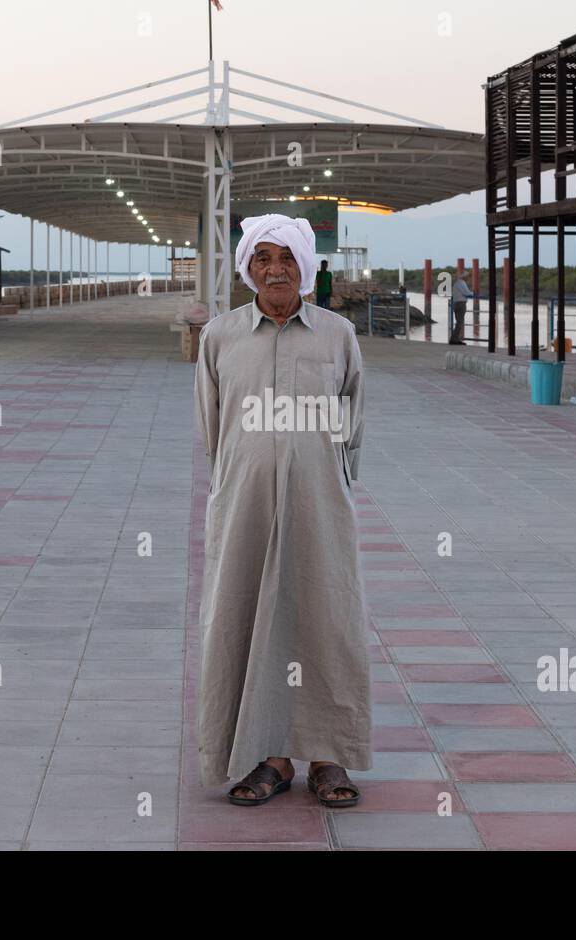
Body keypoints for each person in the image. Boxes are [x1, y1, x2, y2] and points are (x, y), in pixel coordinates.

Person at [194, 213, 371, 808]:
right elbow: (212, 429)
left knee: (326, 617)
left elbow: (351, 429)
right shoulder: (219, 337)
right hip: (243, 504)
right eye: (264, 257)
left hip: (320, 505)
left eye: (288, 257)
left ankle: (328, 756)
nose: (276, 268)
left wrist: (328, 483)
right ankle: (268, 757)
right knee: (246, 622)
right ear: (247, 267)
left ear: (306, 267)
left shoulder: (337, 335)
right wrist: (238, 481)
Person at [449, 265, 472, 345]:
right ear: (464, 277)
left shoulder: (458, 283)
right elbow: (466, 293)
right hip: (460, 304)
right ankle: (454, 339)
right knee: (460, 322)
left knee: (459, 322)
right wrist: (474, 293)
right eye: (467, 276)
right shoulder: (461, 283)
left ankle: (455, 338)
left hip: (457, 303)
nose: (468, 278)